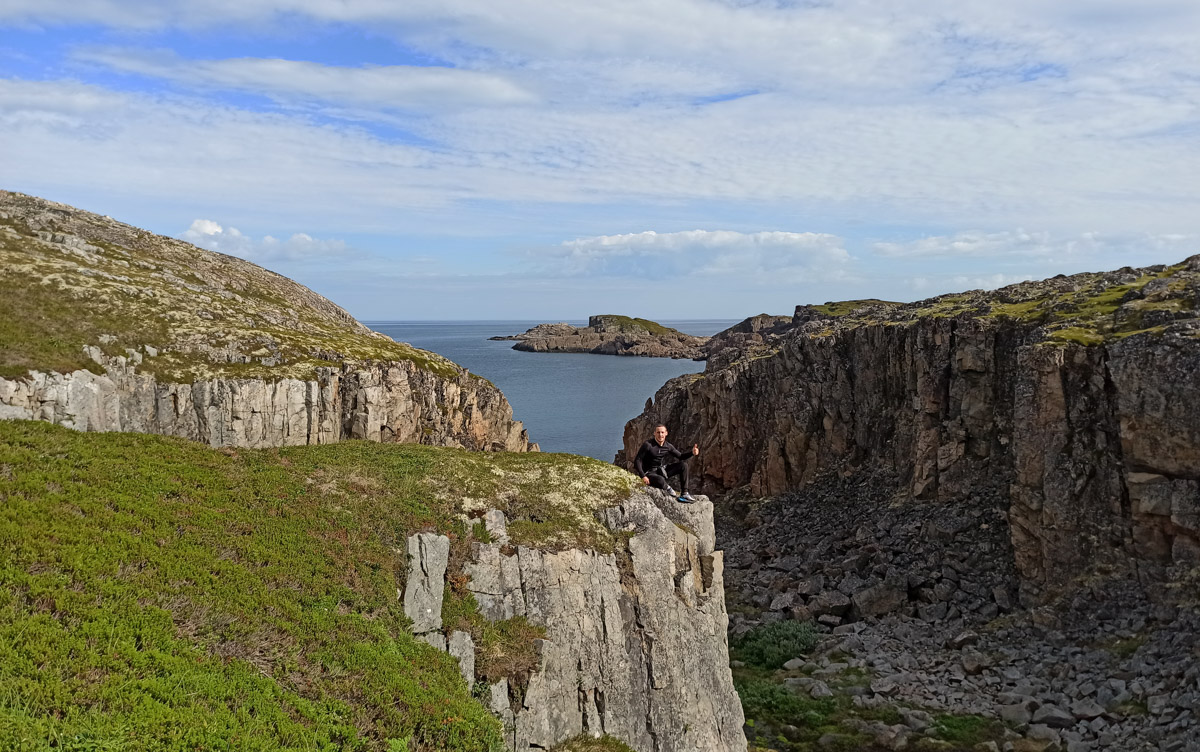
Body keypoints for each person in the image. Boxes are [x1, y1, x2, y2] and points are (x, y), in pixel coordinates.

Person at [634, 424, 699, 503]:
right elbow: (638, 460)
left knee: (683, 465)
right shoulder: (648, 445)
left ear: (666, 433)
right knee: (660, 480)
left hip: (660, 470)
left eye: (662, 432)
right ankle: (668, 488)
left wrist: (692, 453)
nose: (660, 435)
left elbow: (681, 456)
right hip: (649, 473)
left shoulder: (668, 446)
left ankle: (684, 493)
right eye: (658, 432)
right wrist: (643, 476)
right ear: (654, 433)